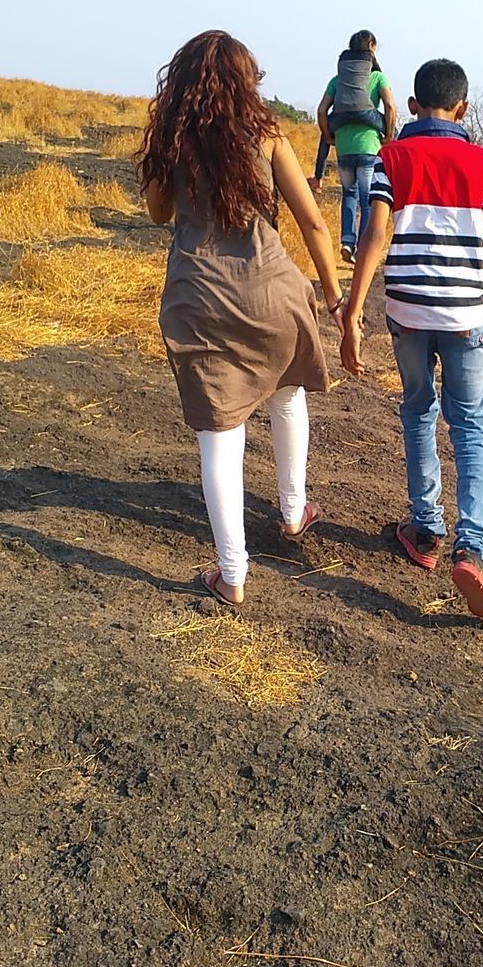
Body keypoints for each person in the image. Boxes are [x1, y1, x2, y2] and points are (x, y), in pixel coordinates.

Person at [138, 30, 345, 608]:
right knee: (285, 393)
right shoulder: (269, 133)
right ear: (245, 80)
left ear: (180, 81)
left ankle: (232, 574)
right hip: (273, 292)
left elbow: (159, 214)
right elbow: (314, 224)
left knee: (219, 435)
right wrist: (335, 300)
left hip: (200, 300)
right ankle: (293, 509)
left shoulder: (172, 140)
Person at [340, 58, 483, 621]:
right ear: (463, 108)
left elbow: (374, 233)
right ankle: (472, 547)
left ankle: (426, 531)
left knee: (417, 410)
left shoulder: (393, 157)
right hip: (465, 315)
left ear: (412, 107)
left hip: (407, 311)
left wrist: (353, 309)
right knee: (472, 426)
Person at [315, 30, 396, 263]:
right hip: (369, 147)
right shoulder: (379, 78)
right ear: (371, 47)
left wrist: (329, 136)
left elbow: (321, 110)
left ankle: (347, 243)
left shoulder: (336, 80)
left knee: (348, 195)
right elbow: (390, 106)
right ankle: (363, 248)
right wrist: (389, 135)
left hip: (344, 148)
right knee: (367, 198)